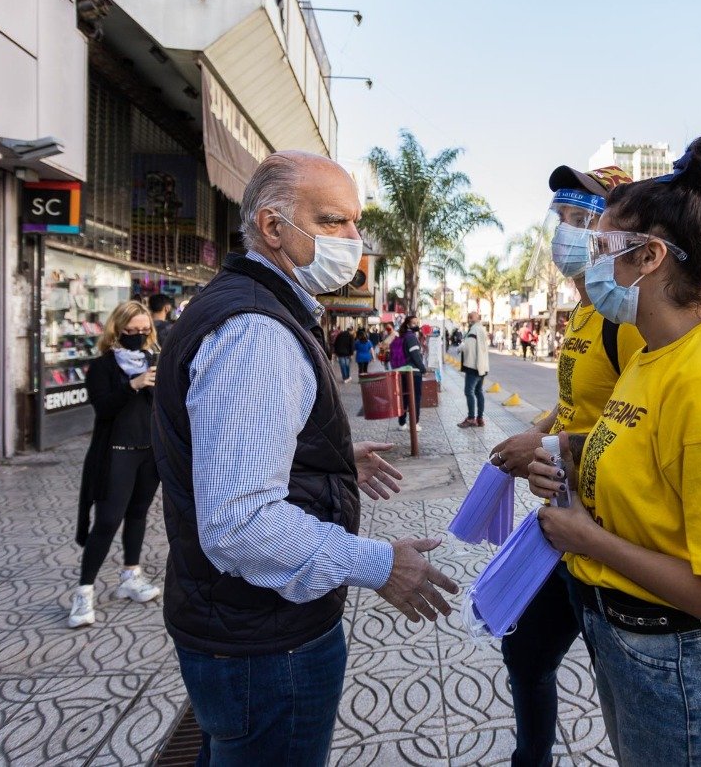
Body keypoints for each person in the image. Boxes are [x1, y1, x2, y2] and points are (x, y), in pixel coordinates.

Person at [151, 151, 458, 765]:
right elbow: (240, 524)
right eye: (333, 221)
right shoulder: (255, 331)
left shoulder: (258, 309)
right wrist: (378, 564)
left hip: (237, 629)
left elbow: (233, 450)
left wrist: (329, 458)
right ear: (271, 228)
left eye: (355, 223)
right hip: (265, 645)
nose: (353, 240)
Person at [530, 134, 701, 766]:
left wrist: (588, 540)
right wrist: (569, 452)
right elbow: (646, 456)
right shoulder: (651, 355)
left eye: (601, 247)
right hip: (639, 656)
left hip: (694, 678)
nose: (587, 263)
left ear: (649, 257)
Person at [489, 162, 640, 767]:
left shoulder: (626, 316)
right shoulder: (581, 310)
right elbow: (585, 399)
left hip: (612, 533)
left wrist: (553, 450)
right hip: (567, 520)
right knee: (525, 651)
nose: (566, 232)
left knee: (626, 686)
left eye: (583, 219)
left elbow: (641, 420)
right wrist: (543, 428)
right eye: (562, 218)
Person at [71, 300, 163, 628]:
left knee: (138, 515)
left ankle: (130, 575)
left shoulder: (154, 360)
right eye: (131, 330)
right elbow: (104, 408)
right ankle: (84, 591)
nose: (138, 336)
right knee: (108, 520)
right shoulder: (102, 368)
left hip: (149, 453)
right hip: (116, 452)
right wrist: (132, 385)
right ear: (117, 329)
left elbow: (161, 408)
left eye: (143, 330)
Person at [457, 311, 492, 428]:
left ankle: (472, 418)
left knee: (469, 391)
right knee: (478, 391)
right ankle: (480, 418)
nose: (470, 317)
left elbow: (474, 347)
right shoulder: (477, 329)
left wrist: (459, 348)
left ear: (478, 317)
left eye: (472, 315)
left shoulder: (476, 329)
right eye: (469, 315)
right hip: (478, 366)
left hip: (474, 367)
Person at [395, 316, 427, 431]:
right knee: (415, 399)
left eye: (417, 323)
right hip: (414, 372)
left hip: (404, 371)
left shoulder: (404, 336)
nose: (416, 325)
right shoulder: (411, 337)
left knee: (405, 397)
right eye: (414, 323)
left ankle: (402, 423)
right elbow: (415, 356)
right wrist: (423, 368)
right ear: (408, 324)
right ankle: (415, 423)